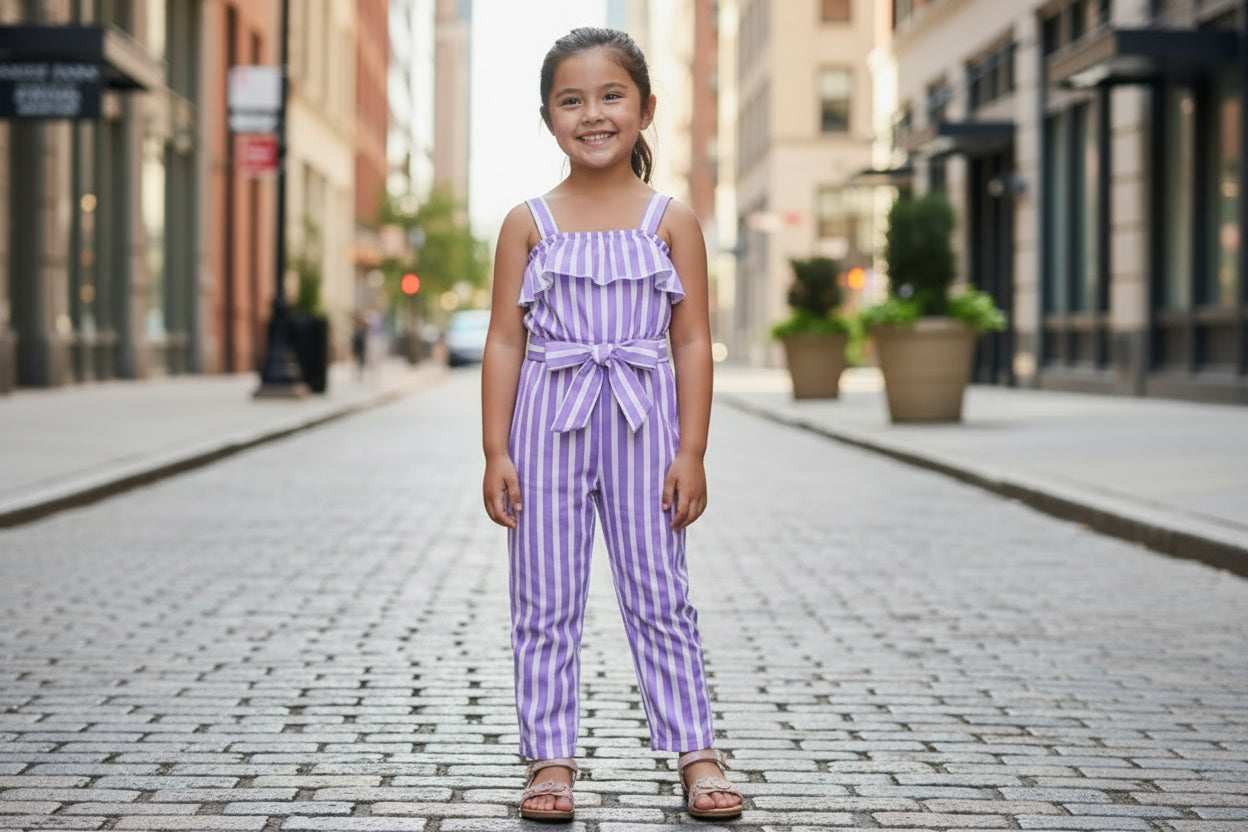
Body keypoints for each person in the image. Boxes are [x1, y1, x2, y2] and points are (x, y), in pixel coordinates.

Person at [480, 26, 742, 823]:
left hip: (643, 426)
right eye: (572, 100)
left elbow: (692, 340)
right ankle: (550, 760)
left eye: (610, 96)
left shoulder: (673, 220)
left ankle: (696, 753)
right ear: (548, 117)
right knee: (545, 597)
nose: (592, 114)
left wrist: (691, 450)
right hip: (546, 425)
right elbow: (502, 339)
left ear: (645, 108)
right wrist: (496, 449)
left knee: (660, 594)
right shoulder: (528, 223)